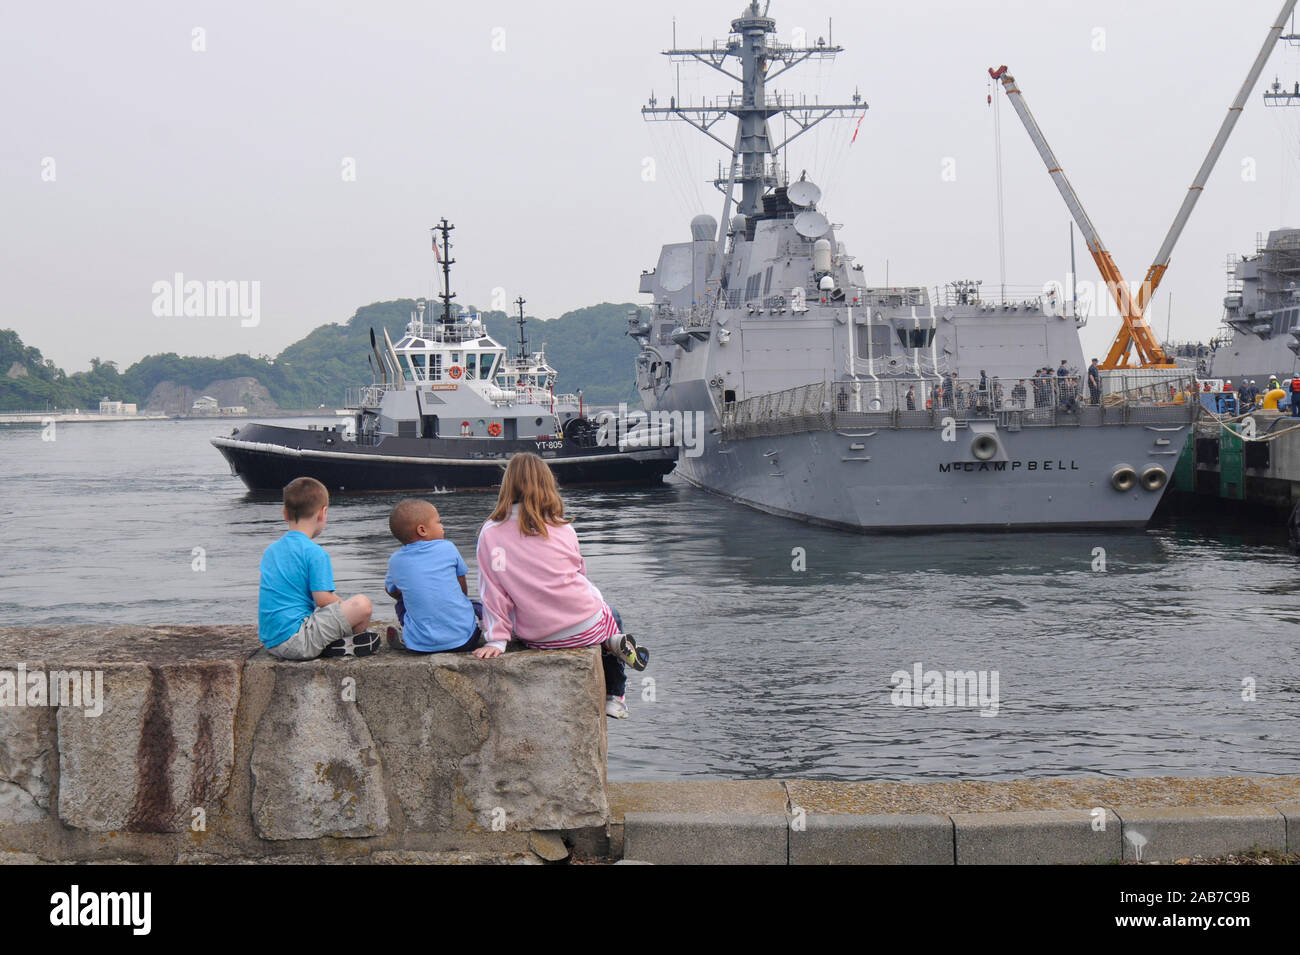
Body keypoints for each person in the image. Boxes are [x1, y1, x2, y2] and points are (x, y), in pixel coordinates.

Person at [474, 453, 648, 719]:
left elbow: (493, 590)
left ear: (507, 485)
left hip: (541, 637)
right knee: (611, 613)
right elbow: (578, 572)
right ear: (548, 484)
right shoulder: (561, 525)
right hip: (587, 625)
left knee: (484, 607)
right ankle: (616, 694)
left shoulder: (491, 532)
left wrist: (498, 639)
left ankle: (612, 642)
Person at [258, 477, 376, 660]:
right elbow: (322, 599)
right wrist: (347, 609)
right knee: (362, 605)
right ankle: (352, 642)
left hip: (272, 642)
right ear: (322, 513)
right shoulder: (315, 553)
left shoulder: (270, 551)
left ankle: (334, 646)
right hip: (297, 642)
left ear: (284, 513)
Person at [383, 498, 481, 653]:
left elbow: (390, 590)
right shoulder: (448, 548)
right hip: (466, 641)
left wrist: (403, 595)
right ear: (422, 530)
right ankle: (488, 624)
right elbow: (461, 583)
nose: (442, 526)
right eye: (438, 522)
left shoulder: (395, 561)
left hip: (420, 647)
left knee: (401, 602)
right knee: (473, 604)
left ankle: (406, 634)